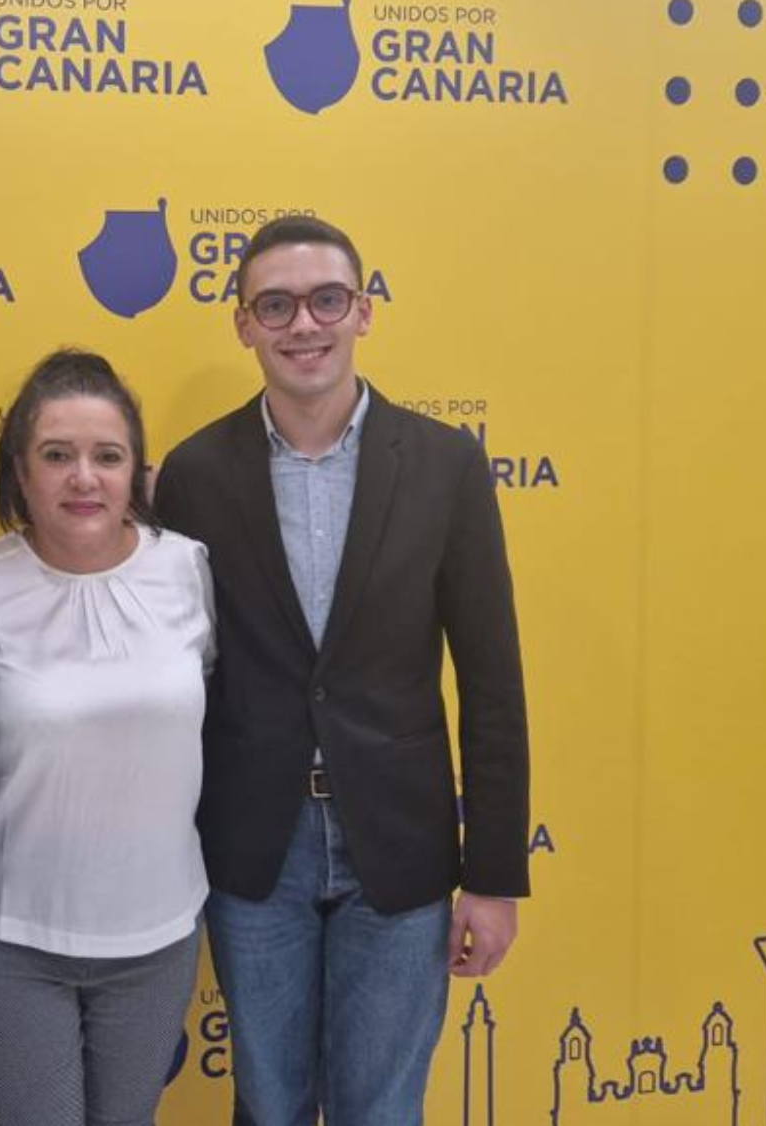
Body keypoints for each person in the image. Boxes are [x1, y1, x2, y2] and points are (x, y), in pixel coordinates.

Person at [153, 216, 530, 1126]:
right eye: (274, 305)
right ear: (243, 324)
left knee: (382, 1109)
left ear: (363, 311)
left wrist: (495, 874)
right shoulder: (194, 474)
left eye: (327, 300)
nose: (303, 325)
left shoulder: (445, 465)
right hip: (254, 847)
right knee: (270, 1106)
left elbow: (492, 683)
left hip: (397, 848)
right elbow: (177, 680)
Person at [0, 349, 214, 1126]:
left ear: (137, 471)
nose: (83, 477)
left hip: (158, 938)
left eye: (107, 456)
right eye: (56, 455)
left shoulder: (190, 570)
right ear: (20, 474)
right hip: (11, 941)